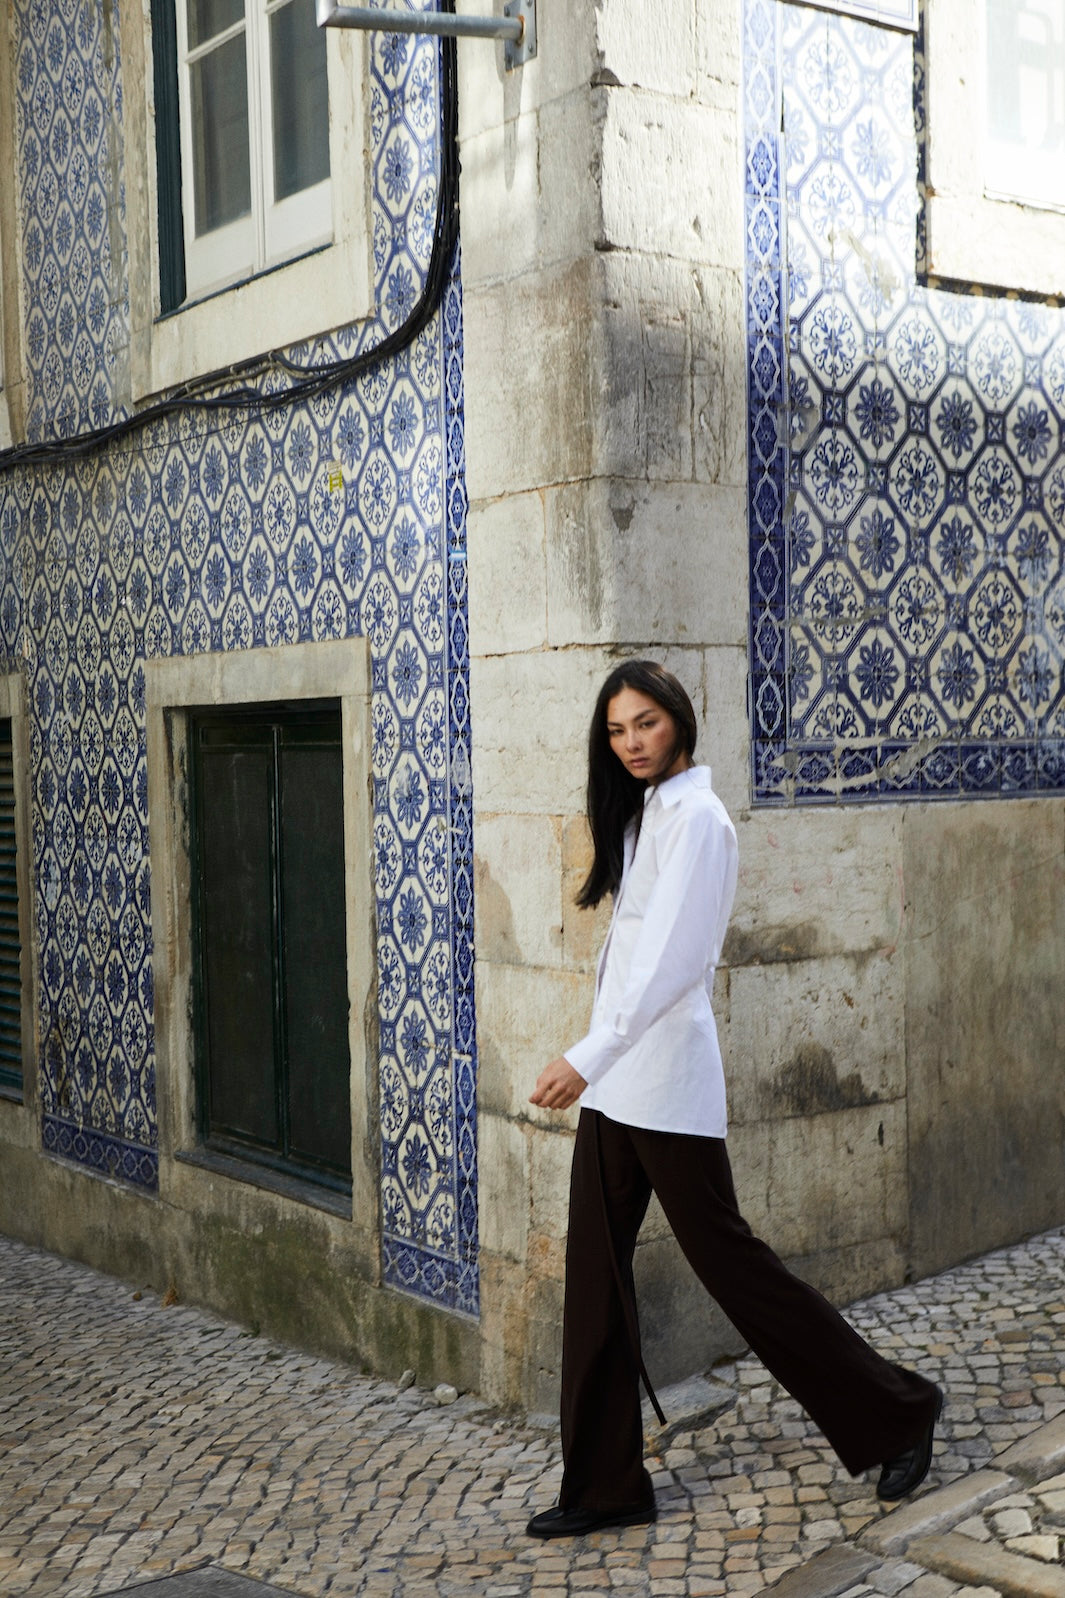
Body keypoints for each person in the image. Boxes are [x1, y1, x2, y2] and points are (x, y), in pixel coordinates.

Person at [526, 659, 943, 1540]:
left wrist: (586, 1052)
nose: (631, 742)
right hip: (615, 1087)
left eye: (643, 723)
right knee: (594, 1280)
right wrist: (597, 1060)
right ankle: (606, 1485)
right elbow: (629, 959)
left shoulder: (701, 822)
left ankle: (898, 1411)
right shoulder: (645, 817)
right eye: (615, 730)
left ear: (677, 717)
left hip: (665, 1085)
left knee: (737, 1273)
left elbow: (675, 969)